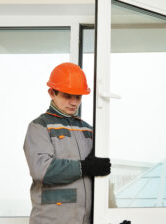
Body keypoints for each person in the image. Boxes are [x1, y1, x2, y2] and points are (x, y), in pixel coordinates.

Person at [23, 62, 111, 224]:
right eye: (67, 95)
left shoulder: (88, 130)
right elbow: (41, 169)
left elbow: (101, 176)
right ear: (52, 93)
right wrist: (84, 167)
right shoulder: (39, 127)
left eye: (78, 96)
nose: (74, 102)